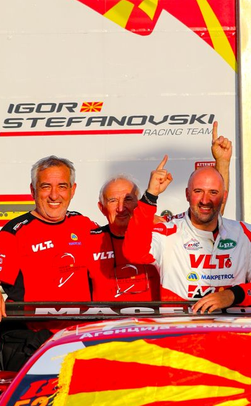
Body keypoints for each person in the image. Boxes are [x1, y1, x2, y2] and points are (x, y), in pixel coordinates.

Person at [0, 156, 97, 369]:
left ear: (73, 190)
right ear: (33, 190)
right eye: (45, 186)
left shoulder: (84, 225)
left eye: (62, 186)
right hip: (36, 345)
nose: (54, 195)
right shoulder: (15, 231)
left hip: (81, 340)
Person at [88, 124, 233, 301]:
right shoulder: (89, 240)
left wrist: (222, 162)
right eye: (112, 201)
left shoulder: (162, 229)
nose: (121, 208)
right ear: (101, 207)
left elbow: (210, 215)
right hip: (109, 319)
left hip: (155, 318)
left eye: (128, 199)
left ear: (139, 202)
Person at [123, 158, 251, 312]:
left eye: (213, 192)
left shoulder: (245, 233)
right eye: (198, 191)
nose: (205, 200)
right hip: (181, 325)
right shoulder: (167, 231)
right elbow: (133, 253)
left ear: (224, 197)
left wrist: (232, 295)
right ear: (187, 194)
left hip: (230, 326)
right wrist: (151, 196)